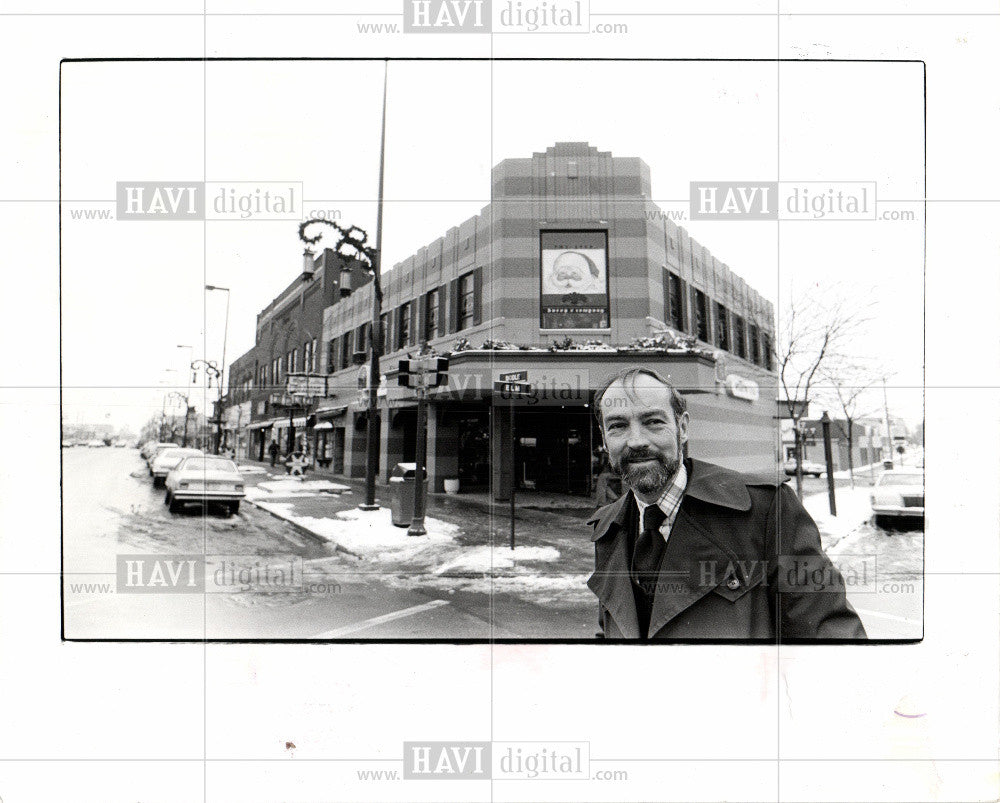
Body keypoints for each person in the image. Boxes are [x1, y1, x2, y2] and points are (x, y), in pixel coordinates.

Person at [588, 366, 867, 641]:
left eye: (653, 422)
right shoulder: (607, 529)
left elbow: (833, 641)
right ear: (604, 438)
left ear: (682, 428)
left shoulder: (768, 510)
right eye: (618, 426)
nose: (636, 441)